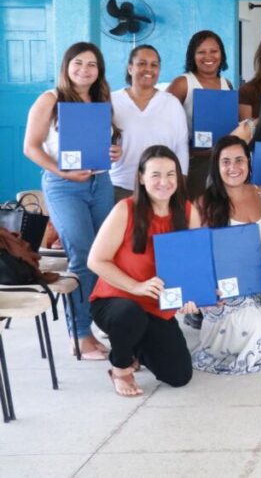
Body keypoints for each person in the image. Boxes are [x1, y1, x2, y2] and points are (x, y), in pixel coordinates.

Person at [23, 42, 122, 360]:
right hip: (63, 186)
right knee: (81, 255)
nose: (84, 69)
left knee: (105, 255)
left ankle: (101, 323)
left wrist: (114, 151)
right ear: (66, 66)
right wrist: (62, 172)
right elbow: (31, 147)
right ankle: (79, 334)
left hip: (100, 183)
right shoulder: (50, 99)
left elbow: (106, 143)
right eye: (78, 63)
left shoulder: (101, 99)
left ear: (99, 70)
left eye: (92, 64)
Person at [87, 146, 200, 396]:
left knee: (179, 375)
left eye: (170, 174)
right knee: (129, 315)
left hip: (155, 307)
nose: (164, 182)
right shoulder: (125, 210)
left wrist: (193, 296)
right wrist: (136, 287)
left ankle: (134, 344)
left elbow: (193, 265)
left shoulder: (188, 211)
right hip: (116, 301)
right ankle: (120, 368)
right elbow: (96, 261)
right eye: (155, 175)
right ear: (141, 177)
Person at [192, 136, 261, 374]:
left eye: (239, 160)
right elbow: (196, 255)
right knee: (256, 326)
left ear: (249, 162)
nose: (233, 167)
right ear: (217, 166)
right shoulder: (204, 203)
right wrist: (207, 292)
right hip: (224, 290)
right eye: (226, 161)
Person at [110, 45, 189, 201]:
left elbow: (181, 146)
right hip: (120, 187)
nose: (148, 69)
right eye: (142, 63)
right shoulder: (112, 101)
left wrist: (181, 181)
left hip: (161, 188)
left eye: (154, 65)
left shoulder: (171, 103)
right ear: (130, 68)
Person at [167, 30, 234, 201]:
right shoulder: (183, 83)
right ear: (192, 55)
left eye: (214, 51)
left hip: (222, 161)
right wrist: (185, 150)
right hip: (193, 162)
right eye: (201, 52)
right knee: (194, 208)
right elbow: (162, 120)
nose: (208, 56)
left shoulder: (227, 84)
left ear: (221, 54)